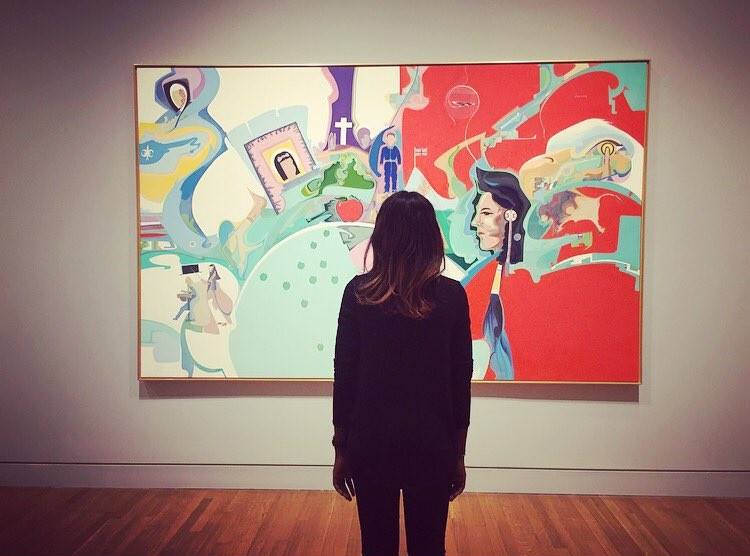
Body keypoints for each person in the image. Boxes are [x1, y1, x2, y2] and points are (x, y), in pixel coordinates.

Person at [332, 191, 473, 556]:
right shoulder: (452, 297)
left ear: (381, 237)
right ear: (432, 239)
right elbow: (460, 382)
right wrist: (458, 454)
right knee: (429, 547)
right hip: (432, 443)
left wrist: (341, 449)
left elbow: (345, 377)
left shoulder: (358, 294)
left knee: (376, 546)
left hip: (370, 442)